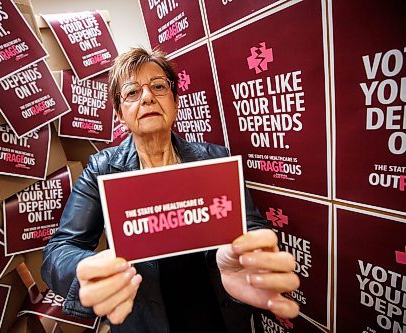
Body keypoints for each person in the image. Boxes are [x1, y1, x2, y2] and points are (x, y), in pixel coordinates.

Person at [42, 47, 300, 333]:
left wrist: (245, 252)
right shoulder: (101, 169)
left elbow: (251, 225)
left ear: (174, 100)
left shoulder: (214, 159)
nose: (148, 97)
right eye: (131, 92)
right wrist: (84, 269)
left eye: (159, 86)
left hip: (220, 316)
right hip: (147, 322)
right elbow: (59, 250)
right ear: (119, 114)